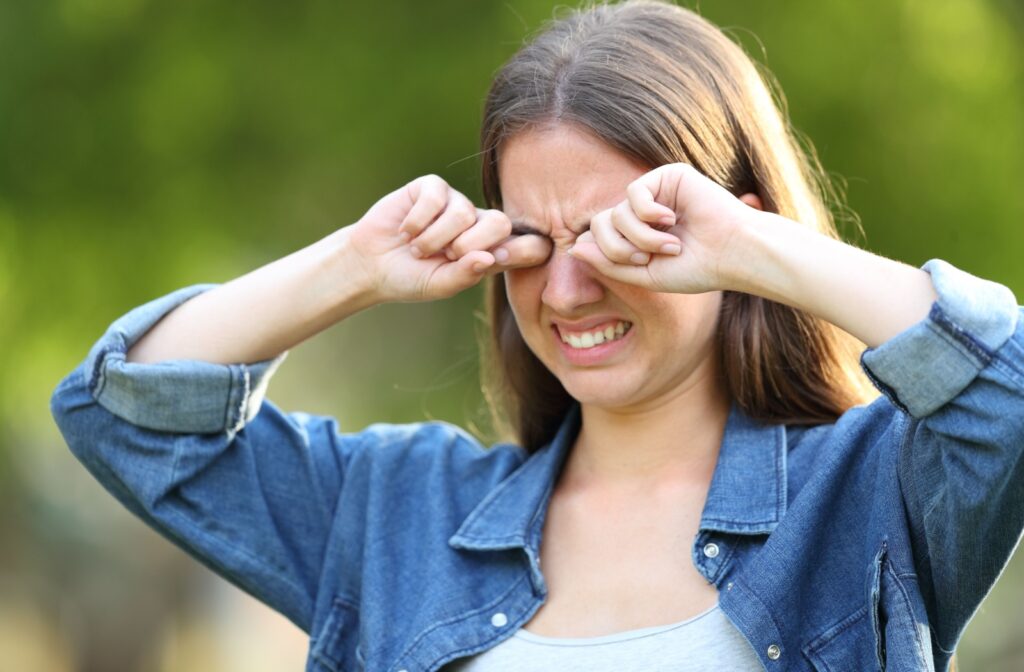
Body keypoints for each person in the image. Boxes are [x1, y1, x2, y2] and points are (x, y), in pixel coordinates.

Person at [50, 0, 1022, 670]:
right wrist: (352, 264)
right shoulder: (398, 516)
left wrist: (752, 247)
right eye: (529, 239)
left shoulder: (869, 493)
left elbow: (1005, 388)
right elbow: (126, 414)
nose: (564, 287)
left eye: (617, 236)